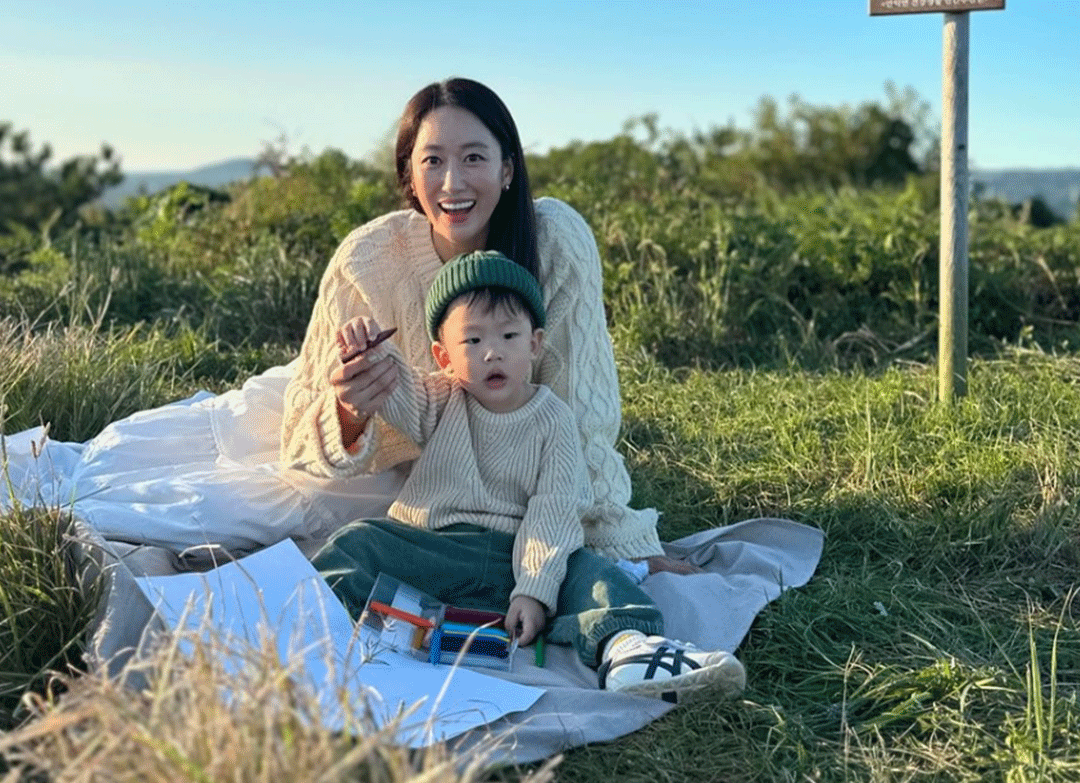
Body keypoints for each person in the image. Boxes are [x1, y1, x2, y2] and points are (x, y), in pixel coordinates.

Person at [280, 76, 697, 577]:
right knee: (259, 508)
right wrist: (349, 412)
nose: (453, 183)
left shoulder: (556, 242)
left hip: (519, 457)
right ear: (409, 177)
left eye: (474, 157)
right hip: (408, 468)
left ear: (506, 170)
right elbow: (299, 440)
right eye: (432, 161)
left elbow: (584, 415)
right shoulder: (366, 259)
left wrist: (622, 543)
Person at [308, 250, 746, 698]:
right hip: (437, 549)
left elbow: (553, 511)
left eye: (509, 335)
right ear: (443, 356)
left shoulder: (553, 420)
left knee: (592, 573)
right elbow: (395, 391)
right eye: (472, 342)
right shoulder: (440, 399)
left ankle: (628, 650)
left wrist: (534, 591)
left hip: (513, 559)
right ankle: (305, 627)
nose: (493, 352)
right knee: (357, 543)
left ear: (534, 344)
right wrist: (369, 351)